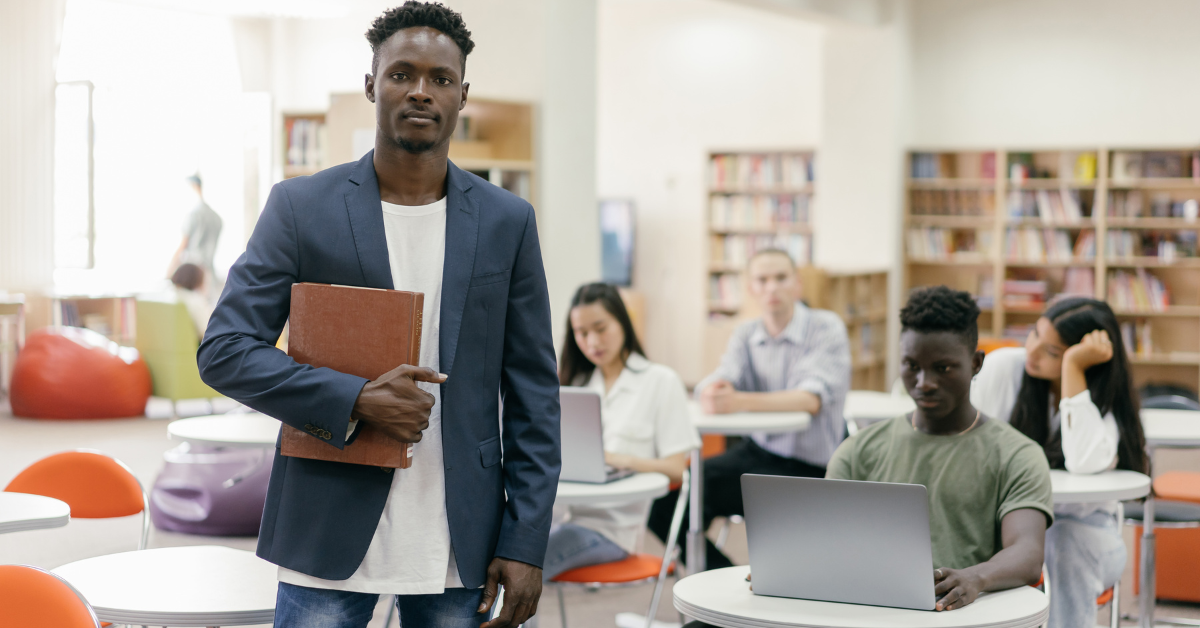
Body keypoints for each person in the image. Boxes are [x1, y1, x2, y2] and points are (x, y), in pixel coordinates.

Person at [197, 3, 560, 627]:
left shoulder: (507, 221)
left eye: (440, 79)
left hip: (458, 534)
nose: (421, 91)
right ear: (372, 83)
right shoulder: (300, 206)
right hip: (325, 521)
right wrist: (354, 397)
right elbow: (225, 349)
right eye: (402, 74)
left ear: (463, 95)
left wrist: (525, 541)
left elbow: (533, 393)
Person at [681, 286, 1051, 628]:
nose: (924, 382)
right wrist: (792, 565)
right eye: (911, 366)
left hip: (954, 616)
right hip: (859, 614)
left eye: (943, 368)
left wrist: (976, 576)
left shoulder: (1016, 454)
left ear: (976, 364)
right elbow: (827, 539)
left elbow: (1027, 551)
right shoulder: (860, 449)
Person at [650, 248, 850, 570]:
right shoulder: (746, 333)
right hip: (758, 453)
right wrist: (714, 390)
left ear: (797, 284)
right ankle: (723, 581)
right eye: (762, 280)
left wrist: (739, 401)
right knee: (668, 507)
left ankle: (759, 587)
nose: (772, 287)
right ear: (751, 288)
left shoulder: (825, 327)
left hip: (812, 469)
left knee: (779, 543)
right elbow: (723, 375)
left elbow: (808, 400)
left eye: (781, 278)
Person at [971, 297, 1147, 628]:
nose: (1032, 352)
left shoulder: (1104, 403)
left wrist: (1072, 370)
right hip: (1008, 527)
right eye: (1035, 334)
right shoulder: (1005, 367)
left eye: (1053, 352)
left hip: (1085, 533)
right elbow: (971, 446)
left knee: (1065, 544)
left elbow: (1082, 461)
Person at [545, 283, 700, 580]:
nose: (592, 341)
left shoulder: (660, 381)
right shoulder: (574, 385)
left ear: (623, 323)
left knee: (521, 562)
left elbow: (676, 469)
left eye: (601, 328)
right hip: (557, 516)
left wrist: (618, 459)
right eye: (582, 332)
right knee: (503, 546)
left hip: (611, 531)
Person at [170, 173, 223, 296]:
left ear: (194, 186)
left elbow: (183, 244)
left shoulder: (193, 215)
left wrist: (170, 270)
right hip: (209, 276)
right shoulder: (217, 218)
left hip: (191, 277)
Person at [170, 262, 213, 339]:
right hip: (194, 349)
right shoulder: (195, 300)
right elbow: (207, 332)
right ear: (197, 280)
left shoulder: (168, 296)